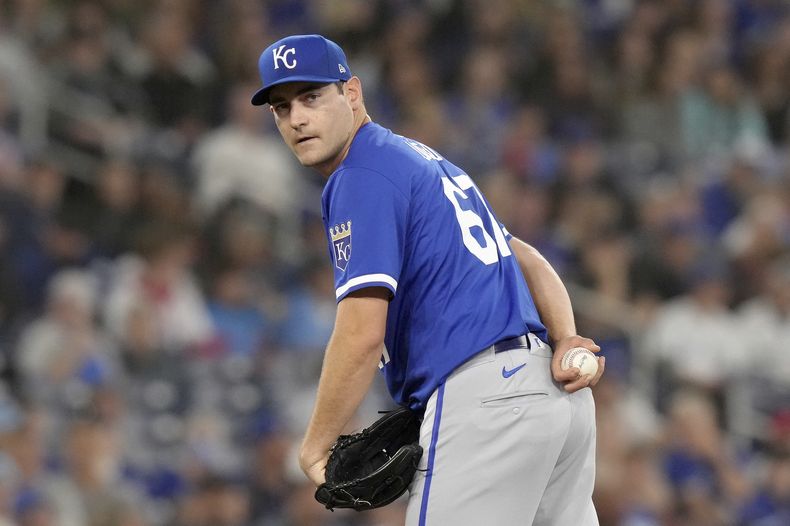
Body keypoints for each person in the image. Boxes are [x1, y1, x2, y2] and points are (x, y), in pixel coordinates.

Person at [250, 34, 605, 525]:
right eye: (282, 107)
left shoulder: (361, 175)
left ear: (352, 93)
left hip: (487, 400)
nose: (297, 119)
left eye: (311, 97)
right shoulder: (420, 160)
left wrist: (316, 443)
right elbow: (525, 257)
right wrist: (564, 337)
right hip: (557, 401)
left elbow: (361, 333)